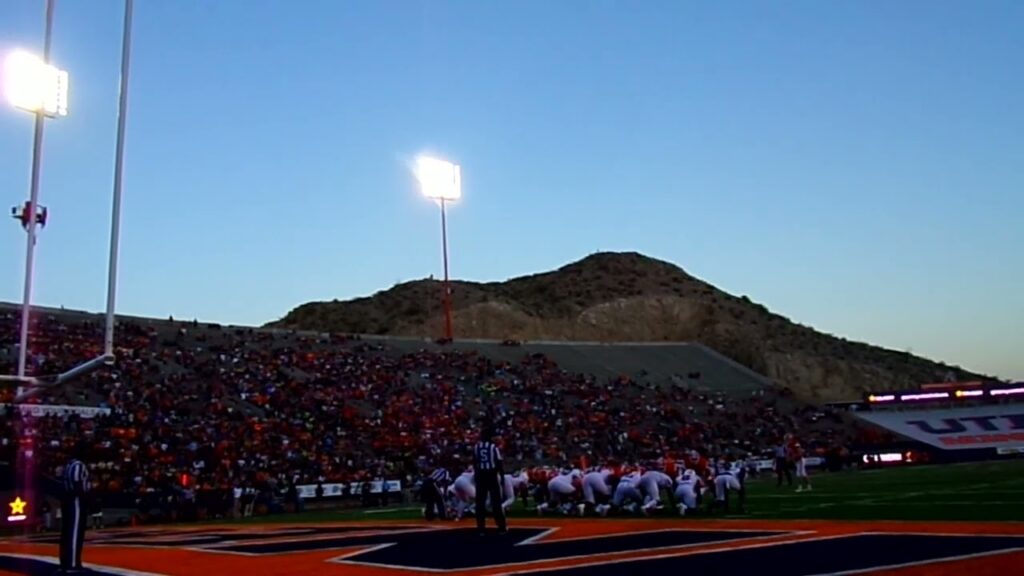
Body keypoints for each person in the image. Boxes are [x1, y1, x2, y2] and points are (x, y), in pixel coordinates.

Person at [59, 444, 90, 573]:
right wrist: (86, 498)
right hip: (76, 500)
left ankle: (66, 561)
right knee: (75, 532)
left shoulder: (69, 465)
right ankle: (72, 563)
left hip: (68, 499)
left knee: (67, 532)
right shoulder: (78, 465)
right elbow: (77, 484)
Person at [472, 426, 507, 535]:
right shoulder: (493, 448)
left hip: (481, 475)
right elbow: (499, 463)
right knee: (496, 501)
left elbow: (474, 462)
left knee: (480, 502)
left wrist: (477, 474)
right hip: (491, 474)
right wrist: (501, 476)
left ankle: (481, 528)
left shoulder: (476, 447)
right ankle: (501, 527)